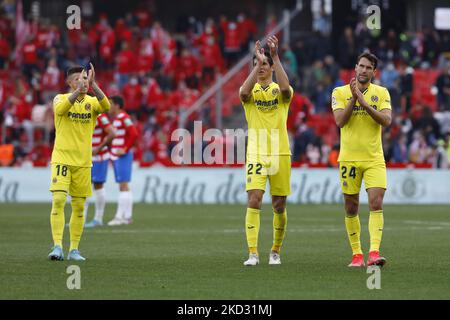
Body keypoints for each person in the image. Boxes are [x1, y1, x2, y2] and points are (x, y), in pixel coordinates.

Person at [331, 52, 392, 268]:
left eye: (369, 68)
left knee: (376, 202)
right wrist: (354, 98)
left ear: (374, 72)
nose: (364, 70)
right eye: (361, 66)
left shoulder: (382, 93)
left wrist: (365, 103)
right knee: (351, 206)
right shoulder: (339, 92)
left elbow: (386, 120)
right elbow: (340, 121)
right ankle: (357, 254)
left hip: (374, 157)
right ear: (355, 68)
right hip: (349, 159)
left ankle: (374, 253)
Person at [239, 36, 293, 266]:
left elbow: (285, 89)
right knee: (254, 199)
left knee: (279, 204)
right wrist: (257, 62)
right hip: (256, 153)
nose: (260, 68)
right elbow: (242, 93)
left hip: (280, 153)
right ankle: (253, 253)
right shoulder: (250, 94)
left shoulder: (280, 93)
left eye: (264, 65)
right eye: (256, 65)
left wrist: (275, 56)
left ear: (272, 68)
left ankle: (275, 251)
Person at [48, 63, 110, 261]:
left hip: (83, 162)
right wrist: (78, 91)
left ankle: (74, 249)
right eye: (77, 79)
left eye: (84, 79)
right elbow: (62, 110)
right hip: (62, 159)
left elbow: (107, 106)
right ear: (69, 82)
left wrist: (94, 85)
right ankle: (57, 246)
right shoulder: (60, 98)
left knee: (79, 207)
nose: (81, 82)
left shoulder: (92, 102)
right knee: (58, 200)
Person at [107, 96, 138, 226]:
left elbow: (134, 134)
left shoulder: (124, 118)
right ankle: (127, 216)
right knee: (124, 186)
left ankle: (119, 217)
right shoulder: (118, 119)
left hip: (122, 156)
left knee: (123, 185)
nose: (108, 107)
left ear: (117, 106)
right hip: (118, 155)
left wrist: (125, 149)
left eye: (110, 104)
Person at [84, 112, 116, 228]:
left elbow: (112, 133)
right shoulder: (81, 113)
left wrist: (99, 147)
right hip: (85, 156)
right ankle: (80, 220)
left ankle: (98, 218)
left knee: (98, 185)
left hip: (99, 157)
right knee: (84, 187)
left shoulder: (100, 116)